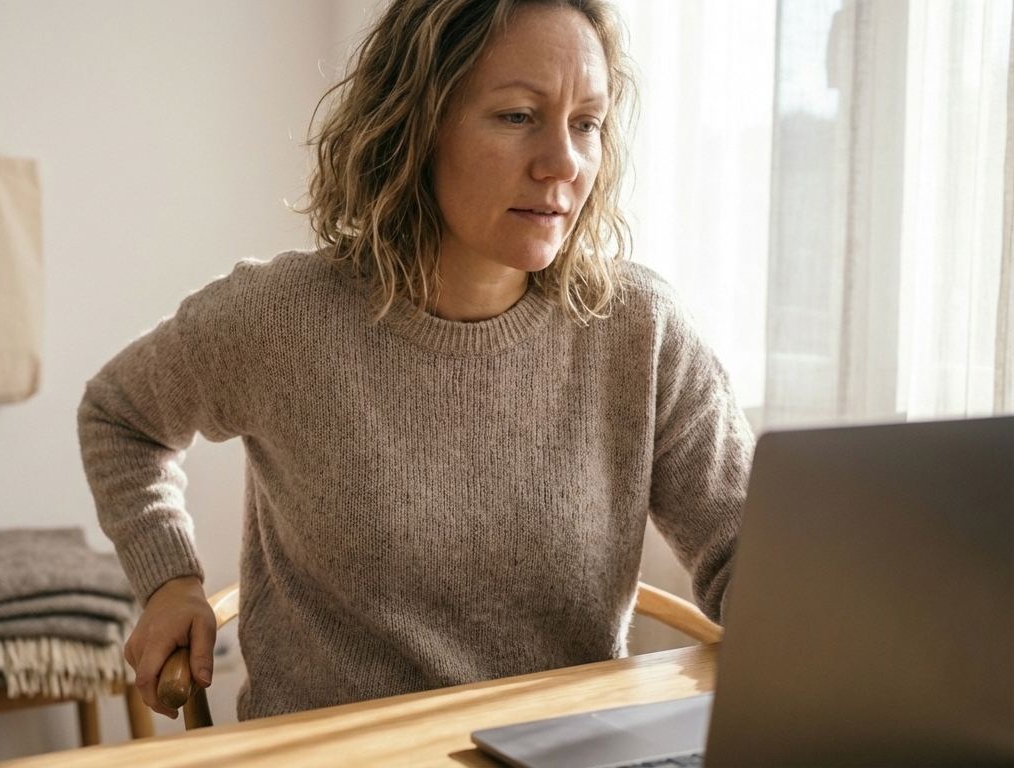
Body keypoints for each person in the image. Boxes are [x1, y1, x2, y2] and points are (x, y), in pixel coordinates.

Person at [78, 0, 753, 722]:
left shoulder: (642, 331)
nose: (563, 163)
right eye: (518, 115)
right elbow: (120, 416)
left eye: (585, 123)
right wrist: (169, 579)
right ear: (417, 125)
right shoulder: (280, 319)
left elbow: (750, 554)